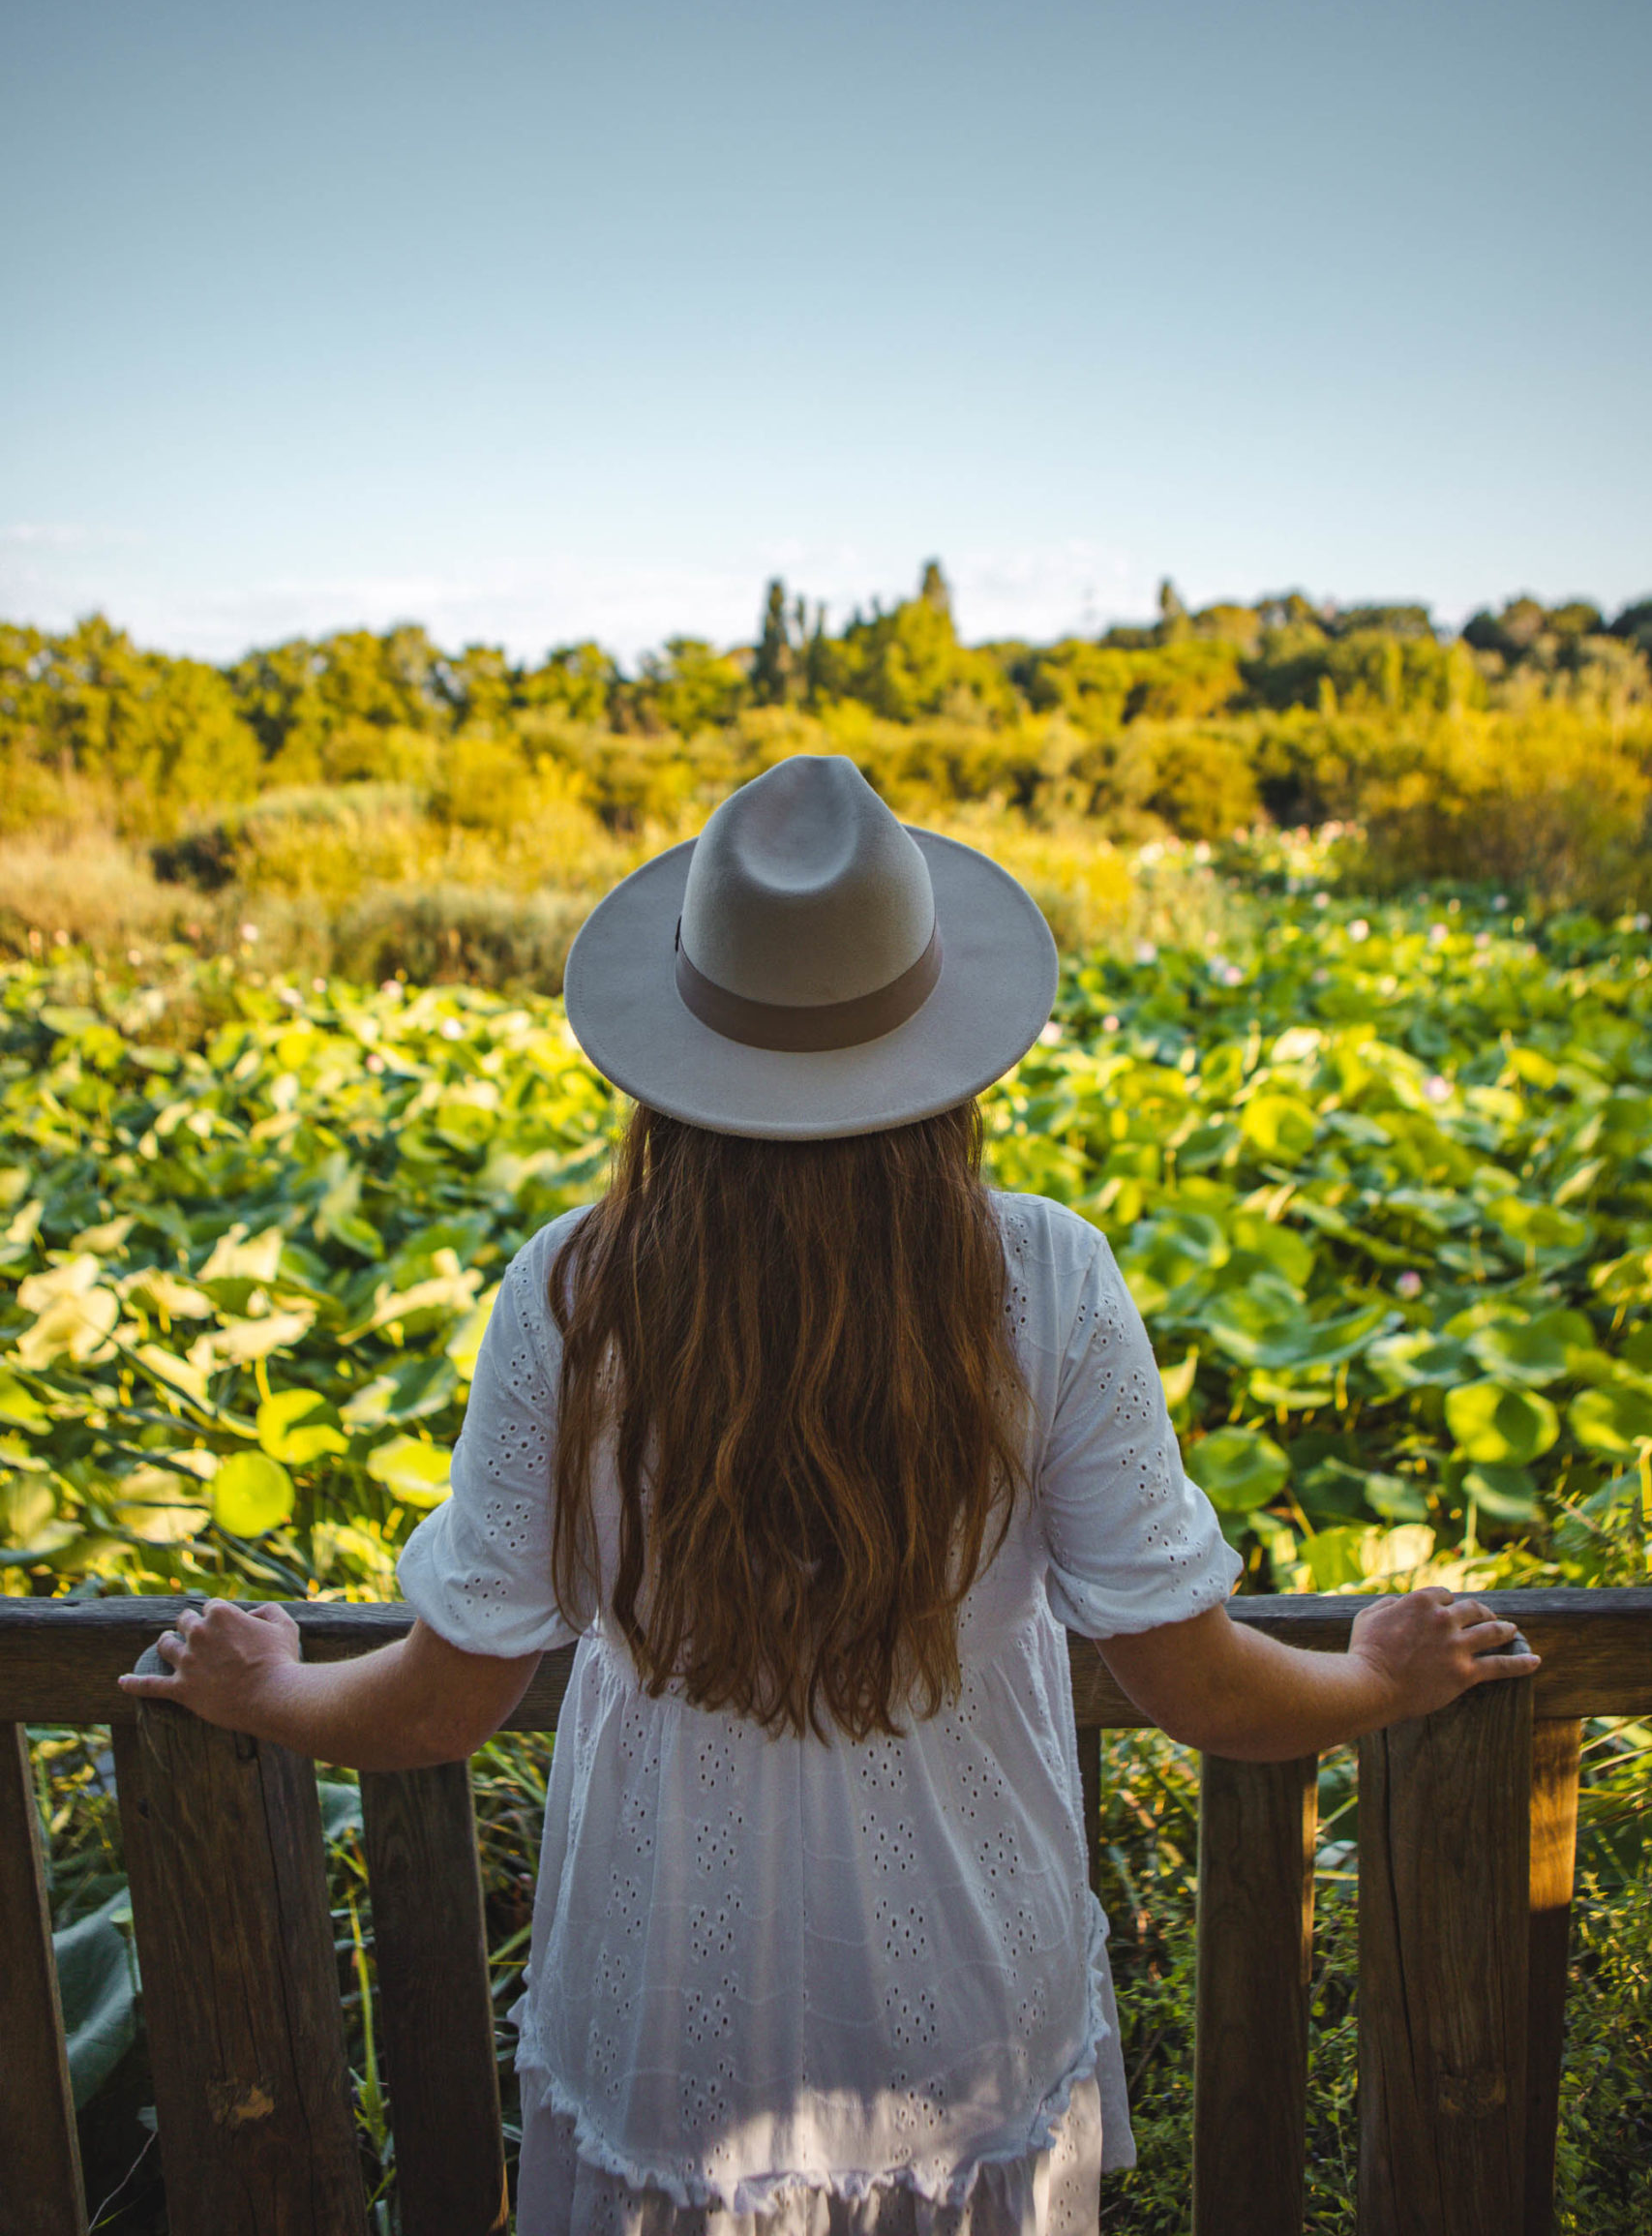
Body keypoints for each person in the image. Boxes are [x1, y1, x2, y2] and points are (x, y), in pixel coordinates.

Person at [120, 754, 1539, 2236]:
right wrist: (1374, 1672)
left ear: (676, 1050)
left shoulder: (570, 1293)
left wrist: (269, 1690)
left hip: (666, 2007)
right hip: (971, 2014)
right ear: (941, 1046)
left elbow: (437, 1708)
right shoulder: (1045, 1277)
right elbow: (1197, 1688)